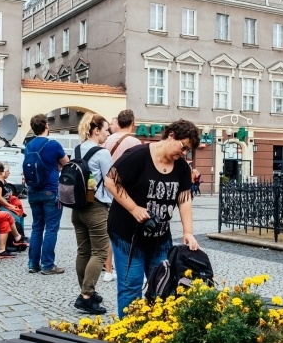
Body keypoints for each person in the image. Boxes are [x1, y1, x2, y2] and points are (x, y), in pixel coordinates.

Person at [105, 119, 200, 318]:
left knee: (162, 285)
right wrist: (133, 208)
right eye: (183, 147)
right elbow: (110, 181)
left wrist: (188, 232)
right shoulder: (139, 156)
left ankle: (155, 332)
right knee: (131, 286)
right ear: (171, 135)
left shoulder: (181, 167)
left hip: (159, 236)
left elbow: (184, 199)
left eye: (187, 151)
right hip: (128, 235)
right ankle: (127, 334)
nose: (183, 153)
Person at [71, 113, 113, 314]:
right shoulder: (102, 153)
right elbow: (111, 181)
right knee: (99, 252)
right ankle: (86, 296)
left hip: (77, 209)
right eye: (106, 130)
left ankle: (86, 290)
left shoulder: (77, 149)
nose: (107, 133)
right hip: (96, 208)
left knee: (83, 252)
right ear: (96, 130)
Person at [24, 114, 69, 275]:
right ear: (47, 126)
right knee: (51, 229)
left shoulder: (28, 145)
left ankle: (32, 264)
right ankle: (48, 265)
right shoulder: (53, 144)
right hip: (50, 190)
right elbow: (67, 164)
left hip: (33, 190)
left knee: (37, 227)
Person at [103, 109, 141, 282]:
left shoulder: (108, 139)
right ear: (133, 123)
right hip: (126, 191)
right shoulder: (135, 142)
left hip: (108, 189)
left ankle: (108, 270)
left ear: (118, 123)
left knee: (111, 231)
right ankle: (125, 267)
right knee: (128, 231)